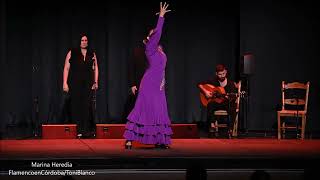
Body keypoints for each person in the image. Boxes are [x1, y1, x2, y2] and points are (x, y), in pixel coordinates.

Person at [123, 2, 172, 149]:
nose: (155, 35)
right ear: (150, 38)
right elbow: (158, 32)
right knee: (142, 109)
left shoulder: (160, 50)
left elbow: (163, 68)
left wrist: (163, 80)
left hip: (159, 84)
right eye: (153, 34)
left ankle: (160, 140)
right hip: (149, 83)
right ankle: (129, 139)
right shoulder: (149, 48)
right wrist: (161, 17)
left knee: (159, 110)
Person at [63, 34, 99, 138]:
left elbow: (96, 67)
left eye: (86, 40)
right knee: (76, 106)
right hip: (75, 83)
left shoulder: (92, 53)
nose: (84, 42)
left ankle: (86, 130)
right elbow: (66, 68)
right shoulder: (72, 52)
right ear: (79, 42)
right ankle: (78, 130)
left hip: (88, 84)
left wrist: (95, 81)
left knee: (87, 106)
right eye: (82, 40)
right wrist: (64, 82)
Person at [198, 64, 237, 138]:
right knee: (210, 104)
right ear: (216, 74)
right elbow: (199, 84)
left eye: (223, 73)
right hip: (216, 103)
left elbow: (233, 97)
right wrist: (206, 92)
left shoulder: (230, 83)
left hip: (226, 103)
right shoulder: (213, 81)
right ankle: (212, 125)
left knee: (232, 106)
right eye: (220, 74)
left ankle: (230, 129)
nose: (222, 75)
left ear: (226, 72)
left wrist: (228, 97)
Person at [122, 46, 149, 120]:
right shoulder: (137, 51)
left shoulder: (155, 51)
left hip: (152, 84)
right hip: (139, 83)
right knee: (137, 104)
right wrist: (132, 84)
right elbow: (131, 68)